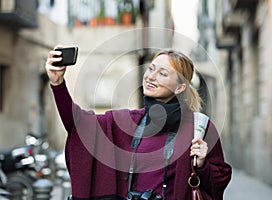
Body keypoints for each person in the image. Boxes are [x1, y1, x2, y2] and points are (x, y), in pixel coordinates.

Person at [45, 46, 232, 200]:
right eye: (151, 69)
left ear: (180, 86)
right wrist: (58, 83)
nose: (151, 77)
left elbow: (219, 183)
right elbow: (79, 124)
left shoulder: (199, 127)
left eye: (162, 73)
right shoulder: (129, 122)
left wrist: (201, 165)